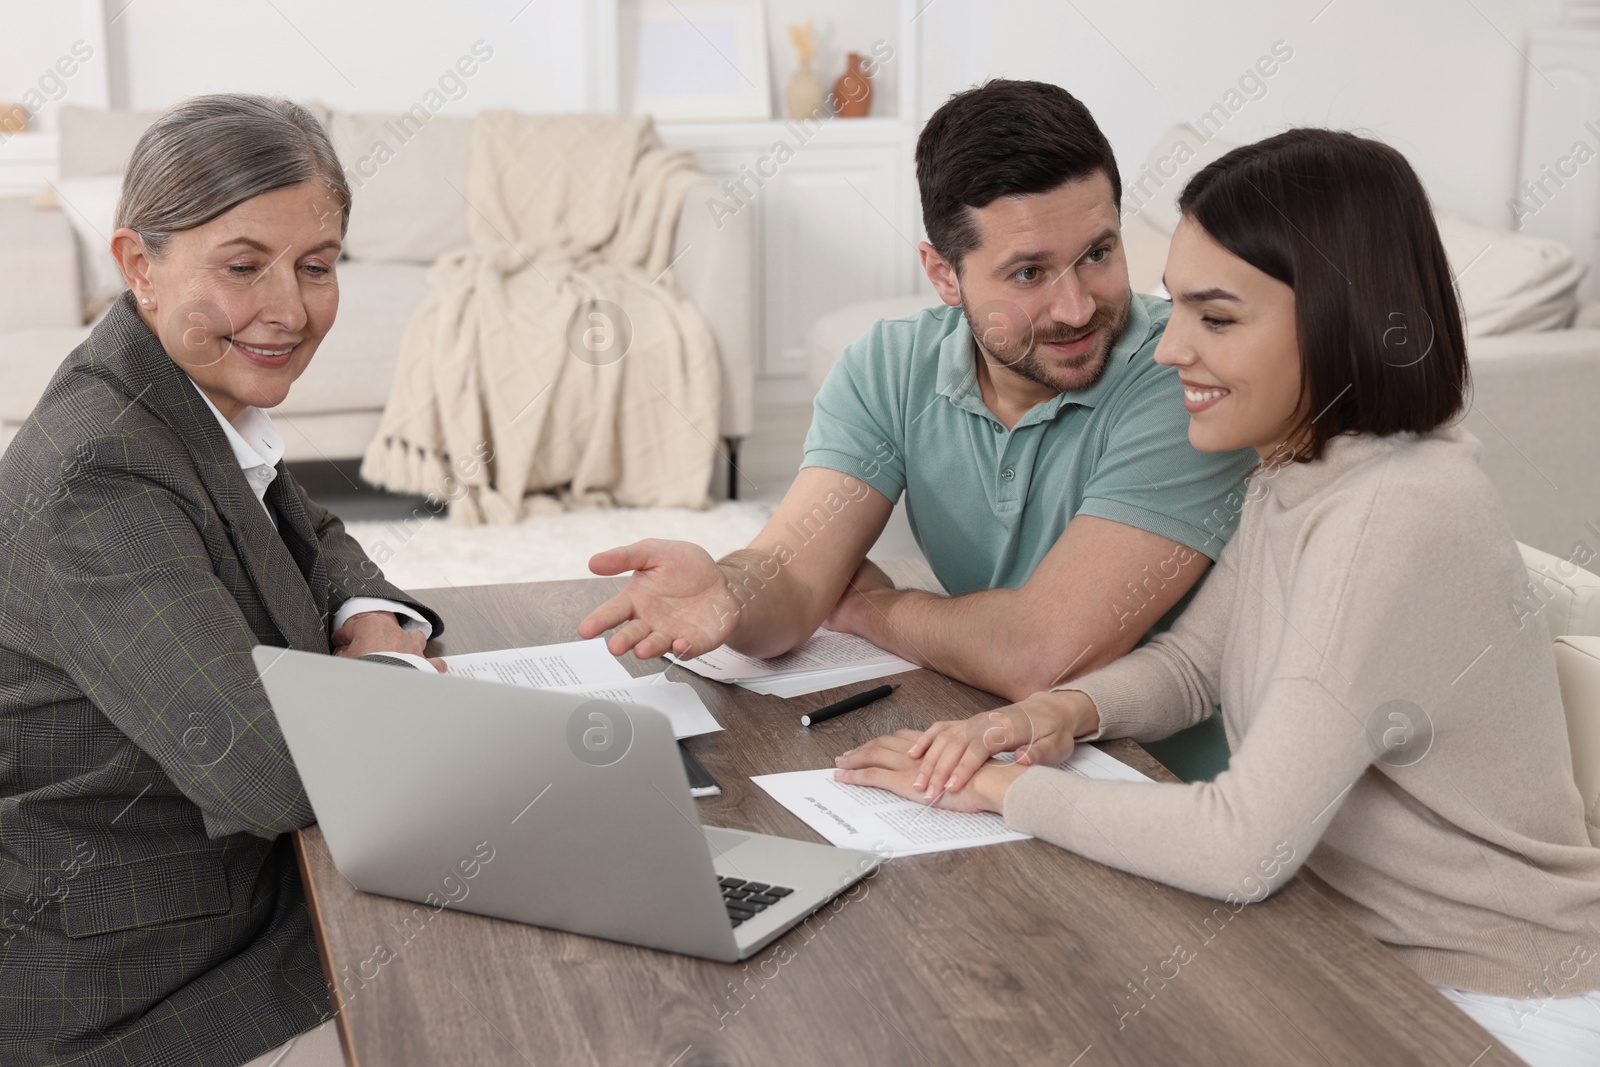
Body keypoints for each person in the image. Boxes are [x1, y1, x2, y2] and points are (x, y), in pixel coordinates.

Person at [835, 128, 1600, 1066]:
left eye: (1217, 318)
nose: (1169, 351)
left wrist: (997, 789)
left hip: (1489, 1002)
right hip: (1348, 952)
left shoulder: (1393, 516)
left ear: (1332, 316)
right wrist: (1052, 715)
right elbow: (1195, 663)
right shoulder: (1303, 468)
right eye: (1178, 307)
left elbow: (1243, 846)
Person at [580, 81, 1257, 777]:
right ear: (943, 274)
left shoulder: (1184, 379)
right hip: (998, 749)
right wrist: (729, 591)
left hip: (1169, 784)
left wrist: (876, 607)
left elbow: (1045, 655)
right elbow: (792, 573)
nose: (1077, 306)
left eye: (1098, 253)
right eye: (1029, 272)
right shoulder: (891, 364)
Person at [0, 94, 444, 1067]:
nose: (288, 308)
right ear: (138, 266)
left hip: (232, 884)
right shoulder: (100, 470)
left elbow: (311, 527)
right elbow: (268, 769)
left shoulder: (180, 393)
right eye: (243, 267)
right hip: (142, 971)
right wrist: (401, 684)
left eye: (316, 266)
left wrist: (369, 619)